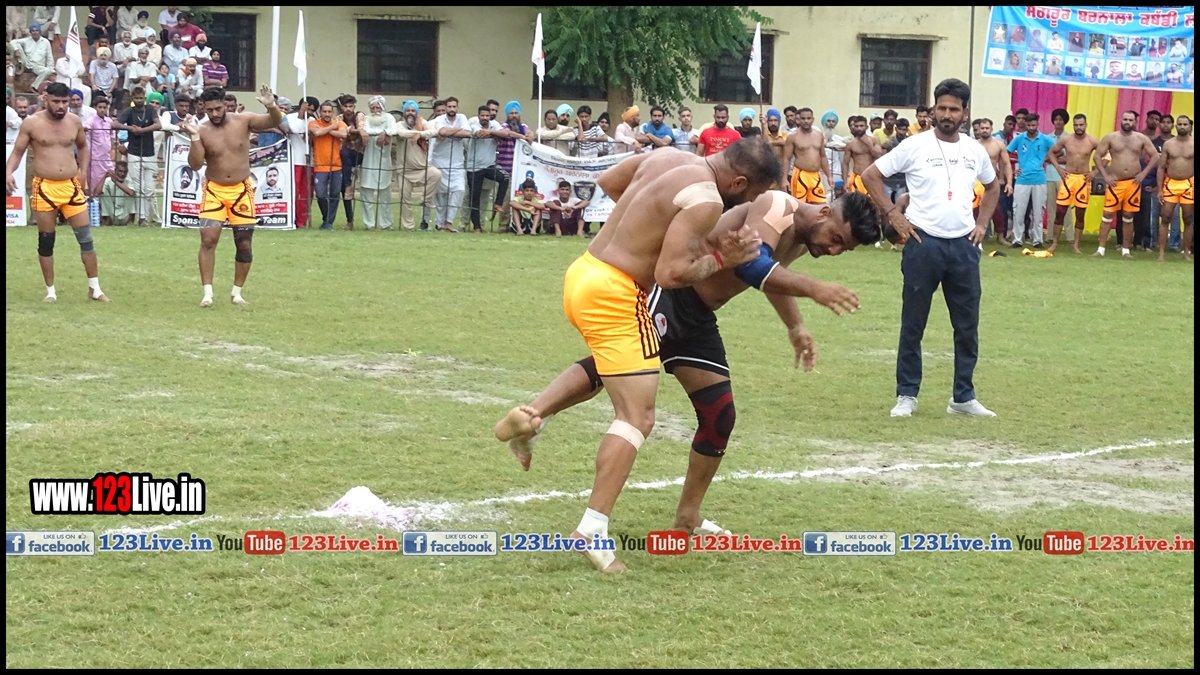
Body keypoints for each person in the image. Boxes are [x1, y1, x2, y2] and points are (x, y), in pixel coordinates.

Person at [501, 190, 875, 537]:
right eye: (837, 238)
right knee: (612, 367)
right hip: (672, 293)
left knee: (719, 415)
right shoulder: (778, 207)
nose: (834, 250)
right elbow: (751, 266)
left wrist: (795, 326)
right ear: (824, 212)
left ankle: (687, 516)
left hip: (698, 317)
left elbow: (772, 277)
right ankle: (532, 419)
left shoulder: (804, 237)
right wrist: (815, 289)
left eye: (844, 249)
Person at [492, 139, 778, 572]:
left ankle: (532, 422)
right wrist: (722, 257)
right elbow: (671, 274)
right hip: (617, 294)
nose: (749, 205)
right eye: (752, 194)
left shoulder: (670, 156)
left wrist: (646, 228)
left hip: (585, 272)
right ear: (738, 182)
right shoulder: (707, 199)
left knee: (615, 385)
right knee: (637, 417)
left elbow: (610, 181)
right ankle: (592, 528)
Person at [860, 78, 1000, 419]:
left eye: (954, 109)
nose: (947, 114)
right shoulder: (914, 146)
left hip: (964, 246)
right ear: (933, 110)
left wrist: (982, 224)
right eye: (942, 108)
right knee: (913, 323)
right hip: (923, 244)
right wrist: (893, 214)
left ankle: (963, 397)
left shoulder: (975, 150)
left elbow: (993, 186)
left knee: (967, 326)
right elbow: (870, 175)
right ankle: (907, 395)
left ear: (965, 112)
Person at [178, 85, 283, 307]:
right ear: (203, 108)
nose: (214, 114)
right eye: (209, 110)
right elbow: (195, 164)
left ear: (225, 104)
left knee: (244, 243)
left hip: (241, 190)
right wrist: (194, 137)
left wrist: (271, 106)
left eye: (218, 109)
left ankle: (237, 293)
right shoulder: (202, 129)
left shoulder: (243, 120)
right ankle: (207, 293)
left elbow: (273, 121)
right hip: (214, 190)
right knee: (208, 240)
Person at [6, 82, 109, 303]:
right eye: (56, 101)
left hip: (71, 185)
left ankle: (95, 288)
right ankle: (50, 291)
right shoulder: (32, 123)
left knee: (86, 238)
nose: (61, 106)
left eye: (64, 101)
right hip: (45, 187)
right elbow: (17, 151)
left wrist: (83, 172)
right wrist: (8, 172)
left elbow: (83, 147)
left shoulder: (74, 121)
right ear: (46, 100)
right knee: (46, 239)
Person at [1094, 111, 1159, 258]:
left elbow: (1155, 156)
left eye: (1130, 120)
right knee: (1107, 214)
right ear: (1120, 120)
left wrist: (1143, 173)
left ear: (1135, 122)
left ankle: (1125, 250)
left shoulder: (1141, 138)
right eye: (1125, 119)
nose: (1127, 122)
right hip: (1115, 182)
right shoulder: (1111, 137)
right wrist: (1105, 176)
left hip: (1132, 182)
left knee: (1128, 216)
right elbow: (1097, 156)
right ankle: (1100, 249)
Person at [109, 85, 161, 226]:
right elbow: (114, 124)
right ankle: (142, 218)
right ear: (133, 98)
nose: (139, 100)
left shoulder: (150, 109)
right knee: (138, 188)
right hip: (133, 153)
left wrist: (142, 130)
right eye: (137, 98)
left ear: (145, 98)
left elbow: (158, 125)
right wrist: (130, 128)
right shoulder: (129, 111)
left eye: (141, 98)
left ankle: (146, 216)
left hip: (150, 153)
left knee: (149, 189)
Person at [1006, 113, 1056, 248]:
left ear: (1037, 124)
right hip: (1022, 179)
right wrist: (1012, 170)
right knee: (1018, 211)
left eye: (1033, 125)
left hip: (1039, 179)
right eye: (1028, 125)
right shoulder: (1019, 139)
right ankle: (1017, 240)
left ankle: (1038, 240)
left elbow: (1058, 151)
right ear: (1025, 125)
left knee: (1039, 212)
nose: (1031, 128)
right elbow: (1006, 153)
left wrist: (1046, 159)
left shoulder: (1045, 139)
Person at [392, 100, 441, 231]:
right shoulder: (399, 124)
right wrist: (417, 133)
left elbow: (434, 131)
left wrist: (421, 134)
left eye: (413, 111)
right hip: (404, 169)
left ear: (416, 113)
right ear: (404, 112)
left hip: (422, 167)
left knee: (436, 174)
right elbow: (402, 133)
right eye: (407, 110)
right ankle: (409, 226)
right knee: (404, 199)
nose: (410, 113)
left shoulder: (422, 123)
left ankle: (425, 199)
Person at [429, 95, 471, 233]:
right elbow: (442, 131)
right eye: (449, 106)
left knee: (459, 190)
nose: (452, 109)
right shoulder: (439, 119)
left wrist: (450, 132)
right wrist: (458, 130)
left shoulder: (462, 117)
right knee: (441, 194)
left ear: (457, 108)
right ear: (446, 108)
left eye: (454, 106)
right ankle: (440, 224)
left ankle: (449, 222)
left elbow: (468, 133)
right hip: (439, 160)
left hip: (457, 162)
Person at [466, 104, 508, 233]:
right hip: (474, 167)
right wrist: (494, 135)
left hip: (489, 165)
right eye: (482, 115)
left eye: (487, 115)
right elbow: (479, 134)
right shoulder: (474, 125)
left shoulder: (494, 125)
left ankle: (498, 203)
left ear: (490, 116)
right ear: (478, 116)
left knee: (505, 177)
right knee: (475, 198)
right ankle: (477, 227)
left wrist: (491, 132)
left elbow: (505, 133)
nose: (485, 118)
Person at [357, 95, 397, 231]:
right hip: (368, 161)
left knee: (385, 196)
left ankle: (386, 224)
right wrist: (383, 133)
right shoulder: (366, 119)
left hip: (384, 161)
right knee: (366, 195)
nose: (375, 111)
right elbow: (366, 130)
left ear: (383, 108)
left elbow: (395, 130)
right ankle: (369, 224)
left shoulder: (389, 118)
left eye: (377, 108)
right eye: (372, 108)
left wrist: (386, 132)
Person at [1157, 115, 1194, 261]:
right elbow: (1161, 168)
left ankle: (1186, 253)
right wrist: (1159, 189)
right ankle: (1161, 253)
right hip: (1170, 184)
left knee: (1188, 219)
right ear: (1176, 126)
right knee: (1165, 217)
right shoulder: (1168, 144)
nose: (1182, 127)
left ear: (1190, 126)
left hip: (1188, 184)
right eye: (1180, 124)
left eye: (1185, 124)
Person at [308, 100, 349, 230]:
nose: (327, 114)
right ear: (320, 112)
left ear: (333, 112)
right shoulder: (314, 123)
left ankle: (329, 222)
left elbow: (343, 134)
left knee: (335, 194)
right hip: (320, 165)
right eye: (324, 111)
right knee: (320, 194)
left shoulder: (340, 123)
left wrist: (326, 130)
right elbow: (316, 133)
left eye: (329, 112)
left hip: (336, 165)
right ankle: (326, 218)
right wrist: (332, 128)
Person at [782, 108, 831, 204]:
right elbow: (786, 159)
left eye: (808, 118)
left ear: (813, 119)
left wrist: (829, 175)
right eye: (803, 118)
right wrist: (784, 179)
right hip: (800, 175)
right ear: (798, 120)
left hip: (816, 175)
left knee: (820, 207)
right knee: (799, 207)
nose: (806, 121)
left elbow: (822, 156)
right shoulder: (793, 137)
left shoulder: (819, 135)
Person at [284, 95, 318, 227]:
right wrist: (301, 114)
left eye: (312, 110)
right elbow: (295, 129)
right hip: (294, 160)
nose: (309, 112)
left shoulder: (312, 120)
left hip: (308, 161)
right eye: (308, 109)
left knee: (306, 193)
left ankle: (301, 221)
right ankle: (290, 218)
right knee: (294, 191)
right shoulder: (290, 117)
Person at [842, 115, 883, 196]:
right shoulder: (851, 144)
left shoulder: (874, 140)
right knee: (856, 202)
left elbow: (878, 155)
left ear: (866, 127)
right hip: (857, 177)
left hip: (871, 177)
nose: (859, 128)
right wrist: (845, 181)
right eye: (856, 126)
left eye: (861, 126)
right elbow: (845, 163)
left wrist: (869, 144)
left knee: (872, 202)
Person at [83, 96, 114, 191]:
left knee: (110, 177)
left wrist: (111, 149)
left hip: (106, 156)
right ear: (95, 107)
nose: (102, 110)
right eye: (100, 107)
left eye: (104, 107)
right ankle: (94, 198)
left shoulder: (109, 121)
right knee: (95, 179)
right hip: (95, 157)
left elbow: (112, 136)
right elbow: (85, 129)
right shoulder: (91, 121)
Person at [97, 159, 134, 225]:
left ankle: (130, 221)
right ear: (115, 170)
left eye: (125, 172)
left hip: (125, 213)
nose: (122, 174)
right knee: (103, 194)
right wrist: (104, 177)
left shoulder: (128, 181)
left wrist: (116, 182)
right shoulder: (108, 180)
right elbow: (96, 193)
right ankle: (108, 220)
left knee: (132, 194)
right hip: (112, 212)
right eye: (120, 171)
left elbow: (131, 193)